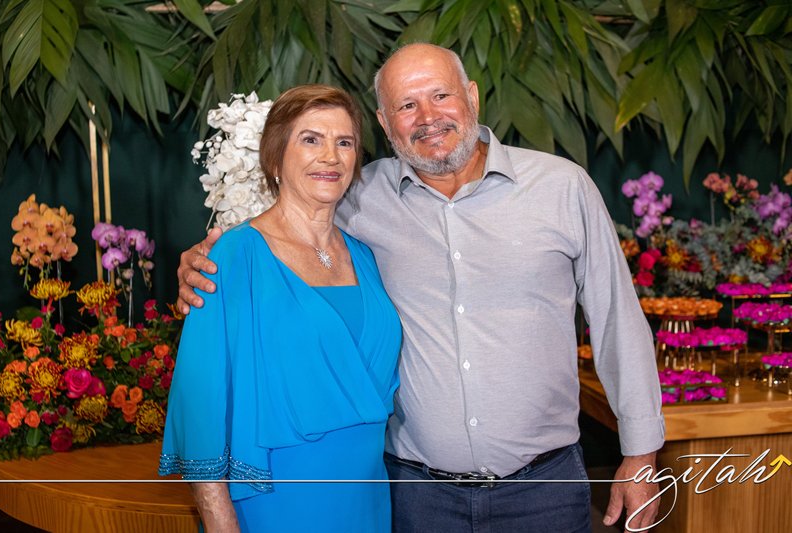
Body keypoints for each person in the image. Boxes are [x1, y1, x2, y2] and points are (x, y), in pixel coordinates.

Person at [177, 44, 665, 532]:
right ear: (385, 123)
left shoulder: (561, 188)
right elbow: (282, 234)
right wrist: (203, 263)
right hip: (415, 498)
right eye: (407, 105)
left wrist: (641, 455)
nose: (428, 117)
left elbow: (617, 323)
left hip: (544, 490)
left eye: (440, 95)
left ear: (472, 97)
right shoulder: (358, 197)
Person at [161, 84, 402, 532]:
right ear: (275, 158)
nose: (330, 156)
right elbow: (200, 406)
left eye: (344, 142)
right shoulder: (233, 256)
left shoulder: (366, 257)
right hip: (273, 501)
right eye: (311, 139)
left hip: (366, 500)